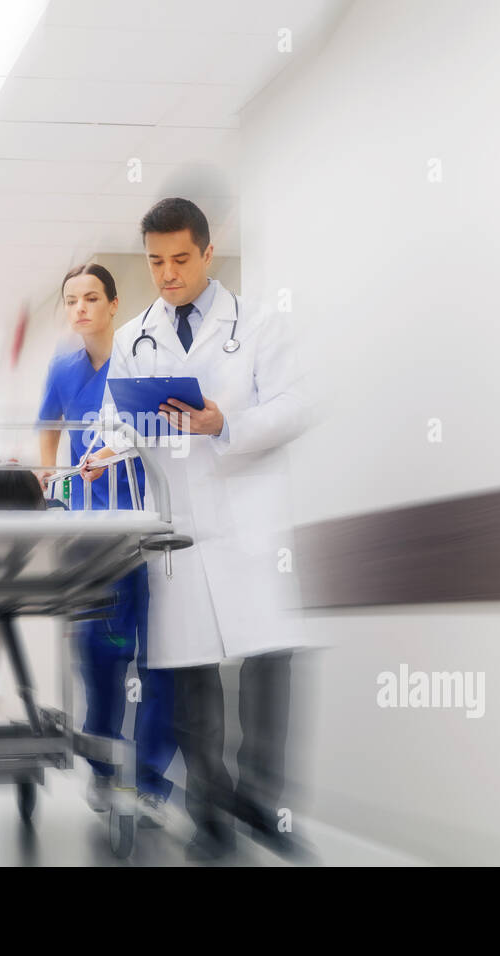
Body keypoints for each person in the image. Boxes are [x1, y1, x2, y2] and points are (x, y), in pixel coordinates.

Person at [81, 198, 309, 861]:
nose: (168, 274)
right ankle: (211, 807)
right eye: (156, 262)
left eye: (181, 259)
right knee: (191, 674)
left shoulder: (260, 322)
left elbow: (297, 403)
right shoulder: (134, 338)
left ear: (208, 252)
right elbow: (114, 420)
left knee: (268, 657)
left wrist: (224, 425)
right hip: (179, 525)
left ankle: (263, 801)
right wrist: (103, 451)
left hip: (247, 516)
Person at [38, 264, 177, 829]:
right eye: (71, 299)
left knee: (159, 657)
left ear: (114, 304)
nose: (80, 308)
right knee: (99, 652)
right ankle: (101, 767)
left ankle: (148, 778)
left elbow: (158, 431)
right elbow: (48, 428)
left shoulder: (138, 358)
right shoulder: (63, 369)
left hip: (143, 529)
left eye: (91, 298)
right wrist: (52, 482)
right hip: (89, 536)